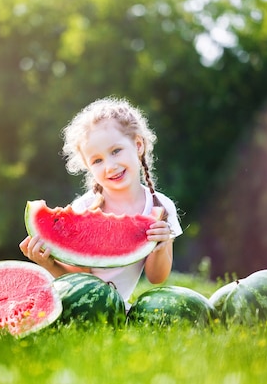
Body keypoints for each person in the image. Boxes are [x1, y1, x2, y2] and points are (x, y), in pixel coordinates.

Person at [19, 96, 182, 309]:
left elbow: (156, 277)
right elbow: (79, 282)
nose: (110, 166)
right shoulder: (83, 209)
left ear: (138, 145)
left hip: (116, 307)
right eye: (97, 160)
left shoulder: (161, 208)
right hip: (74, 304)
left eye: (116, 151)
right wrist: (48, 263)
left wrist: (161, 245)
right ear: (88, 166)